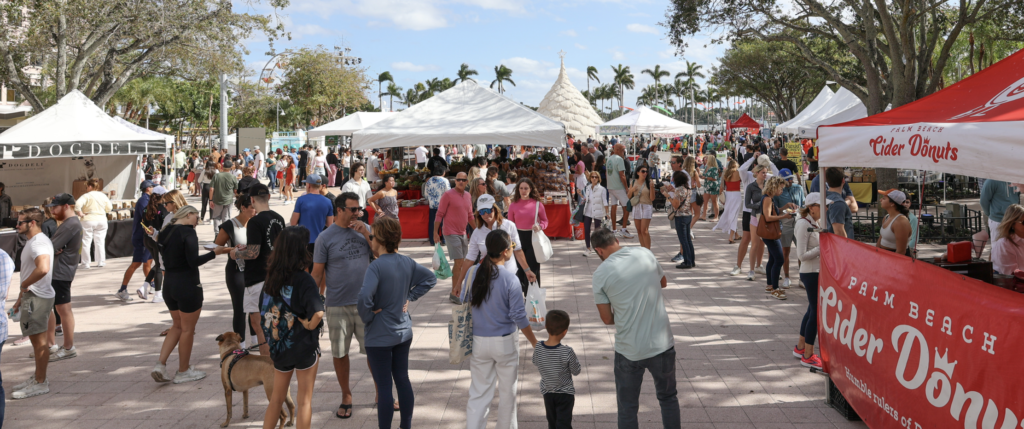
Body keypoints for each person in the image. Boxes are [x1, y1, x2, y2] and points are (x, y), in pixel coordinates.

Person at [590, 227, 679, 428]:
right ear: (616, 241)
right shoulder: (644, 252)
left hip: (628, 349)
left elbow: (606, 319)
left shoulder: (600, 274)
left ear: (599, 251)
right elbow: (663, 283)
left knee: (627, 406)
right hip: (662, 344)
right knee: (668, 398)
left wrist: (623, 313)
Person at [358, 217, 437, 428]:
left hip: (379, 335)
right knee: (402, 379)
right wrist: (409, 297)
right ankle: (406, 426)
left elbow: (364, 297)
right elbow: (431, 278)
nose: (371, 240)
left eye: (372, 236)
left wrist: (368, 317)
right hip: (403, 332)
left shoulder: (375, 267)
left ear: (381, 239)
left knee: (384, 386)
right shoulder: (407, 262)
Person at [464, 229, 539, 429]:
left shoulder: (472, 273)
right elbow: (518, 316)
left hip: (479, 341)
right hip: (505, 342)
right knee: (508, 394)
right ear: (506, 251)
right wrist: (533, 341)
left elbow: (465, 302)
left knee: (479, 393)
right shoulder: (510, 279)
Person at [312, 192, 373, 418]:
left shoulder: (363, 229)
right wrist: (311, 303)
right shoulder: (325, 238)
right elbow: (317, 274)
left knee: (374, 351)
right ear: (339, 210)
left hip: (366, 303)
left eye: (359, 209)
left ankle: (381, 392)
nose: (358, 213)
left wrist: (367, 233)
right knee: (340, 353)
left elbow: (380, 253)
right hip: (337, 304)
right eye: (353, 209)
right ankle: (346, 395)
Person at [260, 226, 324, 429]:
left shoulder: (271, 277)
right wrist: (308, 324)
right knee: (304, 400)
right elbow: (318, 313)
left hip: (280, 347)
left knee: (276, 400)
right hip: (303, 346)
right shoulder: (304, 279)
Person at [151, 206, 217, 384]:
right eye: (197, 217)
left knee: (177, 326)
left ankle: (160, 364)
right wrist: (214, 253)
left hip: (169, 285)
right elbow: (193, 261)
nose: (198, 221)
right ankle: (183, 370)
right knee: (188, 329)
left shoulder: (165, 232)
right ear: (188, 214)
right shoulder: (188, 233)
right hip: (187, 285)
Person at [229, 185, 284, 357]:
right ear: (268, 196)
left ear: (251, 200)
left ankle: (267, 362)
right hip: (276, 275)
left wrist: (235, 253)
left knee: (259, 324)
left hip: (258, 277)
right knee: (273, 321)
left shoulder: (255, 221)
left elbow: (253, 253)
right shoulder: (279, 218)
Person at [12, 208, 55, 399]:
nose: (16, 225)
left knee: (40, 343)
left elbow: (43, 268)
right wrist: (20, 298)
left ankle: (40, 382)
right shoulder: (34, 241)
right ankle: (38, 377)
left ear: (32, 223)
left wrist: (24, 285)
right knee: (35, 341)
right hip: (33, 296)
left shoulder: (38, 242)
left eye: (20, 222)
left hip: (37, 297)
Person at [460, 194, 535, 293]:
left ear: (495, 209)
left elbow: (518, 250)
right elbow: (470, 258)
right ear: (478, 214)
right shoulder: (477, 233)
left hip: (510, 276)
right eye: (482, 212)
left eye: (489, 210)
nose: (486, 214)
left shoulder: (509, 226)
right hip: (488, 278)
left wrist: (527, 270)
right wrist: (458, 283)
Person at [42, 194, 83, 361]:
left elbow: (49, 246)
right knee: (52, 308)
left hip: (61, 272)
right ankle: (52, 345)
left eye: (55, 207)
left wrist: (52, 247)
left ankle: (68, 347)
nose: (52, 210)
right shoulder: (69, 223)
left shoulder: (70, 224)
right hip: (60, 270)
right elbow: (52, 246)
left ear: (67, 206)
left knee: (63, 310)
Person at [213, 196, 255, 346]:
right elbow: (215, 248)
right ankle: (241, 344)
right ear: (243, 207)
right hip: (236, 270)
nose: (255, 210)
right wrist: (234, 249)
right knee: (240, 308)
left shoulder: (256, 223)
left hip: (255, 271)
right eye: (252, 207)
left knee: (255, 306)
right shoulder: (229, 225)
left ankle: (256, 341)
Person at [531, 310, 581, 429]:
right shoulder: (567, 351)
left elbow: (535, 362)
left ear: (546, 326)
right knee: (563, 423)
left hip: (547, 392)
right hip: (565, 394)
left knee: (552, 422)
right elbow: (576, 371)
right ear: (565, 332)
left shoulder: (538, 347)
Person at [793, 193, 823, 370]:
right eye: (821, 206)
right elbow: (801, 256)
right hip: (810, 272)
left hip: (814, 272)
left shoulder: (814, 222)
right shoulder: (804, 224)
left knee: (811, 310)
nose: (825, 209)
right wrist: (822, 246)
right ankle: (808, 355)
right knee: (815, 313)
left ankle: (801, 347)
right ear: (811, 207)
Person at [436, 172, 475, 304]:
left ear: (467, 181)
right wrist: (435, 233)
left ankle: (458, 290)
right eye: (458, 180)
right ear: (455, 181)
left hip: (463, 233)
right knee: (459, 262)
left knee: (463, 263)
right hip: (450, 232)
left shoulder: (468, 195)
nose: (461, 182)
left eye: (464, 180)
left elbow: (470, 215)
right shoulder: (448, 195)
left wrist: (477, 230)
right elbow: (439, 214)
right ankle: (455, 292)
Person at [116, 181, 155, 302]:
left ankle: (153, 285)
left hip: (146, 237)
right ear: (148, 188)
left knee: (148, 262)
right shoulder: (144, 200)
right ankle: (122, 290)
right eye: (153, 187)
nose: (154, 189)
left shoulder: (147, 199)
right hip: (141, 237)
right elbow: (146, 218)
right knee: (137, 263)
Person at [507, 178, 547, 292]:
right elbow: (510, 224)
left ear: (530, 189)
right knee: (518, 268)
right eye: (521, 188)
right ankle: (521, 293)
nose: (523, 191)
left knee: (533, 267)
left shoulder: (537, 204)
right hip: (517, 237)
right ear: (518, 189)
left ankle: (534, 293)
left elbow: (545, 221)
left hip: (533, 238)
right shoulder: (513, 205)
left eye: (526, 188)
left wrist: (540, 226)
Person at [774, 169, 805, 288]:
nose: (790, 181)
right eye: (787, 179)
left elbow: (803, 204)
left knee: (801, 252)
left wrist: (802, 211)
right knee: (785, 252)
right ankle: (786, 277)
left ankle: (802, 277)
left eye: (791, 178)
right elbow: (776, 210)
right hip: (785, 223)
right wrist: (785, 207)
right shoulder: (778, 192)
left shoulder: (798, 188)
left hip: (799, 222)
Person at [760, 177, 790, 300]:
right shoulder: (767, 199)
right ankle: (775, 289)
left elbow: (773, 212)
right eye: (781, 188)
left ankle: (770, 285)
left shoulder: (769, 198)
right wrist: (784, 216)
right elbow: (768, 217)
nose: (782, 190)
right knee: (779, 259)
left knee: (773, 259)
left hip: (770, 233)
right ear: (774, 187)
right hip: (770, 234)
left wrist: (785, 207)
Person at [737, 165, 768, 280]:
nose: (765, 175)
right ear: (757, 173)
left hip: (767, 218)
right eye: (763, 173)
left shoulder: (768, 185)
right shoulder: (751, 186)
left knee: (765, 243)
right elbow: (747, 204)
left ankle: (762, 266)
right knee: (754, 243)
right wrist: (759, 205)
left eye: (766, 172)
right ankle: (751, 270)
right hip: (755, 216)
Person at [291, 174, 334, 256]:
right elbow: (330, 224)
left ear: (309, 185)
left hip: (304, 239)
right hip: (321, 240)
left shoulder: (301, 200)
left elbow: (293, 223)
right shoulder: (328, 201)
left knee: (304, 265)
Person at [75, 179, 112, 269]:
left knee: (86, 241)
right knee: (100, 241)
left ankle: (86, 263)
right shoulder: (103, 196)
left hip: (88, 219)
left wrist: (80, 213)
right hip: (102, 219)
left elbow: (77, 205)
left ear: (90, 186)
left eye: (87, 186)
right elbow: (109, 208)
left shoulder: (86, 196)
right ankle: (101, 261)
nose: (86, 188)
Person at [605, 144, 634, 239]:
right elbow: (622, 175)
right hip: (618, 187)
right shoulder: (619, 159)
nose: (624, 153)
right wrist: (626, 188)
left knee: (614, 206)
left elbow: (607, 173)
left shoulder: (609, 159)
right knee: (627, 206)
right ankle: (623, 229)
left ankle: (614, 230)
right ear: (617, 150)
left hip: (611, 187)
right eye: (623, 150)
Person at [668, 171, 695, 269]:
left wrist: (668, 197)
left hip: (680, 216)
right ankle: (691, 260)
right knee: (688, 240)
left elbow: (676, 205)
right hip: (688, 215)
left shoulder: (678, 189)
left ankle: (687, 262)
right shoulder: (688, 189)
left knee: (683, 240)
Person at [714, 159, 744, 244]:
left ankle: (736, 234)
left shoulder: (725, 173)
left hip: (728, 195)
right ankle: (730, 237)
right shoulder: (738, 173)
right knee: (734, 215)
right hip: (736, 195)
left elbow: (721, 187)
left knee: (731, 213)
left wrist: (721, 199)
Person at [628, 165, 656, 249]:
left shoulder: (649, 182)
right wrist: (632, 190)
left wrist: (651, 187)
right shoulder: (633, 182)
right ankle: (643, 250)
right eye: (643, 171)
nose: (645, 173)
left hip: (647, 206)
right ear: (638, 172)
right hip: (636, 206)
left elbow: (652, 198)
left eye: (646, 172)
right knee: (639, 231)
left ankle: (648, 251)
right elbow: (629, 196)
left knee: (644, 230)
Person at [876, 189, 912, 256]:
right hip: (884, 255)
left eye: (884, 198)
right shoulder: (886, 217)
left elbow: (901, 251)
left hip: (894, 258)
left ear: (892, 203)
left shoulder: (901, 222)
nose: (880, 200)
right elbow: (881, 238)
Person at [580, 171, 608, 256]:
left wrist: (607, 213)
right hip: (588, 211)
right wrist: (581, 195)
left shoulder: (602, 189)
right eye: (592, 177)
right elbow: (587, 199)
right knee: (587, 229)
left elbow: (605, 202)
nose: (594, 178)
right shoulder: (588, 187)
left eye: (596, 177)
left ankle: (598, 248)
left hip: (598, 211)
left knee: (597, 231)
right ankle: (588, 248)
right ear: (590, 178)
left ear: (599, 178)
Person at [824, 167, 855, 239]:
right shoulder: (838, 202)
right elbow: (839, 231)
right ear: (843, 180)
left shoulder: (825, 197)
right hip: (839, 246)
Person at [424, 167, 451, 246]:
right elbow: (449, 193)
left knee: (433, 223)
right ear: (443, 173)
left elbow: (426, 194)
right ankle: (444, 240)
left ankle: (433, 240)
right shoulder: (445, 180)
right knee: (444, 223)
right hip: (443, 206)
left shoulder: (429, 181)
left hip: (432, 205)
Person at [210, 160, 238, 232]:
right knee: (226, 218)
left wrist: (210, 200)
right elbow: (235, 190)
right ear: (231, 167)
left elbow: (211, 189)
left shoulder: (216, 176)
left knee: (216, 217)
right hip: (228, 200)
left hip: (217, 199)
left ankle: (217, 234)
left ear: (223, 167)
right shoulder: (233, 177)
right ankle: (225, 234)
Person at [700, 153, 721, 221]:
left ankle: (716, 216)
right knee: (705, 201)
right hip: (707, 186)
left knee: (714, 202)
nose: (705, 159)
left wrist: (705, 177)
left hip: (713, 186)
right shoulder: (706, 166)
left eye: (706, 158)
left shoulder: (714, 168)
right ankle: (704, 215)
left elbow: (714, 178)